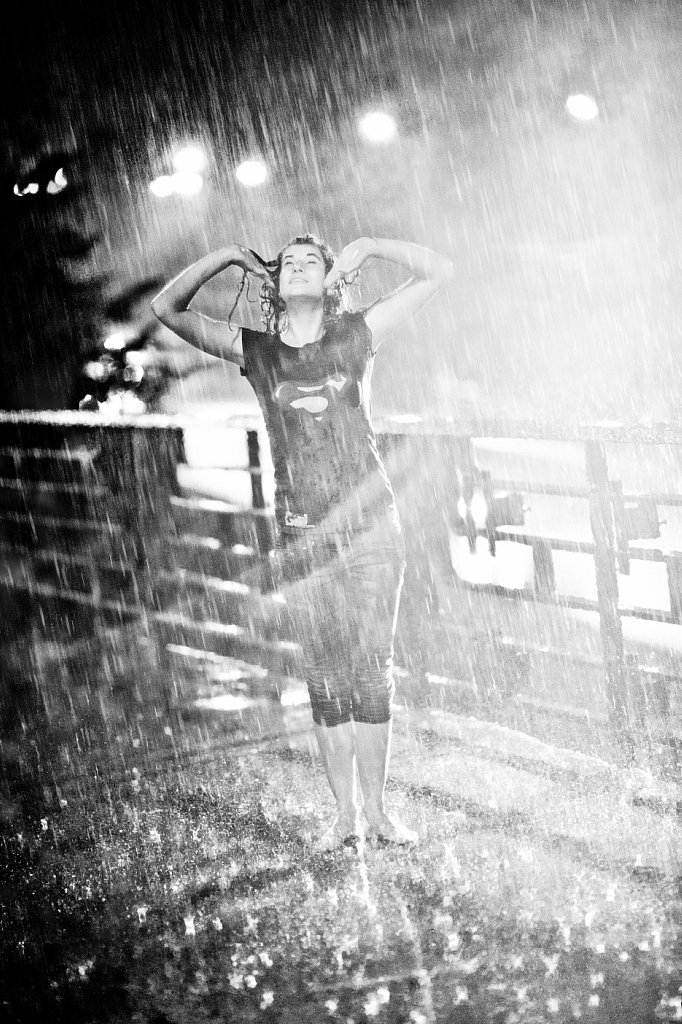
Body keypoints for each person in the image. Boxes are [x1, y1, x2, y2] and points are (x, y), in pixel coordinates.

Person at [151, 233, 453, 851]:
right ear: (275, 283)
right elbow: (167, 308)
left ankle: (379, 813)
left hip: (372, 532)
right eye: (288, 262)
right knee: (324, 677)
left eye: (311, 261)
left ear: (329, 280)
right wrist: (229, 256)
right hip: (302, 536)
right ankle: (344, 816)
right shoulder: (257, 350)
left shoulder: (357, 335)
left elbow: (438, 271)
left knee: (371, 674)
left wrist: (368, 247)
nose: (298, 268)